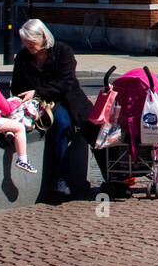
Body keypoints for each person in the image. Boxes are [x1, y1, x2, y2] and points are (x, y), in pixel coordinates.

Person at [11, 17, 98, 198]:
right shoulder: (22, 58)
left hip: (65, 99)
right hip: (39, 105)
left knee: (76, 125)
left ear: (43, 37)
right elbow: (17, 87)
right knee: (58, 123)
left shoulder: (63, 51)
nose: (28, 48)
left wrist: (37, 91)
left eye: (31, 43)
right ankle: (57, 179)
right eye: (25, 44)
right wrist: (31, 97)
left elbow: (65, 83)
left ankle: (67, 178)